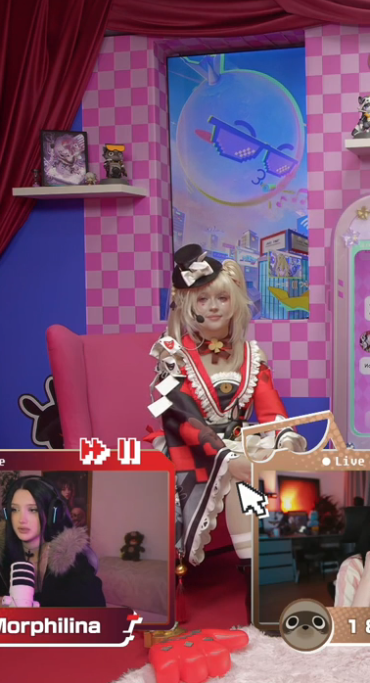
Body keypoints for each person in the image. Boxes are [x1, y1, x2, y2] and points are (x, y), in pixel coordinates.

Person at [145, 244, 308, 571]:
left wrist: (286, 442)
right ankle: (254, 566)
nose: (214, 307)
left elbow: (272, 410)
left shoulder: (252, 355)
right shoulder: (172, 356)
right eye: (203, 299)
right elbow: (179, 417)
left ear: (235, 302)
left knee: (258, 467)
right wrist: (227, 459)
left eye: (222, 298)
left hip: (241, 444)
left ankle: (258, 563)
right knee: (240, 475)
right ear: (187, 305)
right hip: (190, 447)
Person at [0, 476, 105, 608]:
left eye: (32, 510)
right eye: (15, 510)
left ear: (53, 513)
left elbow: (94, 609)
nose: (21, 519)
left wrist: (29, 605)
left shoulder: (71, 559)